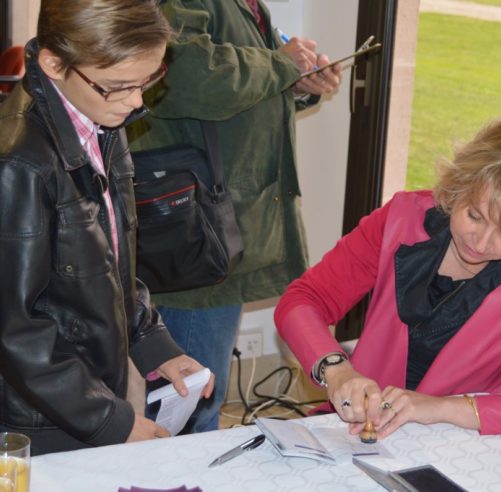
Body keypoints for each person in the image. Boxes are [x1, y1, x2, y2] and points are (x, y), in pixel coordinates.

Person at [0, 0, 213, 455]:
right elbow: (13, 328)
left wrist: (157, 347)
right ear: (54, 63)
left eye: (147, 82)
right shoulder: (15, 163)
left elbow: (111, 261)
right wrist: (109, 419)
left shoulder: (101, 118)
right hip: (33, 420)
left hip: (79, 393)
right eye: (119, 86)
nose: (136, 101)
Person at [275, 110, 501, 439]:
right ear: (461, 184)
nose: (481, 242)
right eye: (474, 215)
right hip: (364, 428)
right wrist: (337, 371)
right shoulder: (401, 221)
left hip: (475, 442)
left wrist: (443, 408)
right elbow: (303, 301)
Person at [127, 0, 342, 433]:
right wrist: (279, 65)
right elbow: (184, 75)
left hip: (222, 229)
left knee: (202, 393)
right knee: (189, 405)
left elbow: (240, 96)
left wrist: (298, 84)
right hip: (194, 237)